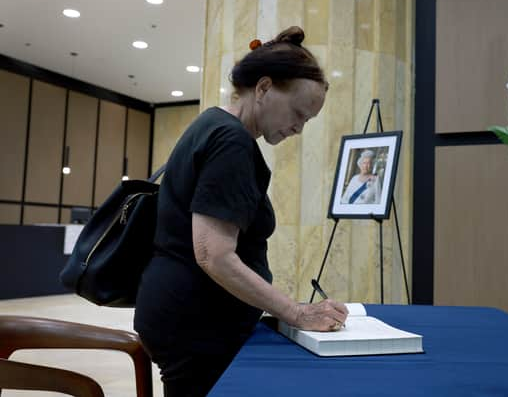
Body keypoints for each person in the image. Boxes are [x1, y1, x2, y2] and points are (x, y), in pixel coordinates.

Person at [134, 26, 348, 397]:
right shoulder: (230, 139)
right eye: (298, 113)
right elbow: (213, 254)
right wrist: (295, 312)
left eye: (307, 121)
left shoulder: (213, 125)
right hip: (194, 323)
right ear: (263, 88)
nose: (299, 128)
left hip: (184, 314)